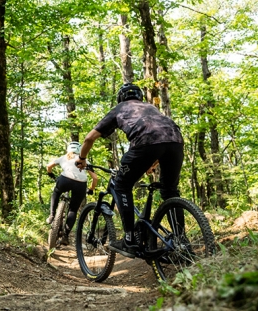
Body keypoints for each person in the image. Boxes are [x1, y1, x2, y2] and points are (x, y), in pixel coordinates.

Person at [76, 83, 184, 258]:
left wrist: (81, 159)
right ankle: (182, 241)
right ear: (139, 96)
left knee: (122, 185)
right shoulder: (151, 108)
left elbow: (89, 138)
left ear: (120, 98)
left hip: (145, 143)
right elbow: (161, 137)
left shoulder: (120, 108)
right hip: (176, 141)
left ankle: (129, 240)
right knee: (170, 190)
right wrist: (152, 162)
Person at [46, 141, 98, 246]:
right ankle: (65, 236)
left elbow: (49, 166)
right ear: (80, 150)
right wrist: (91, 189)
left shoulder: (64, 157)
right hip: (80, 185)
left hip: (65, 180)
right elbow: (95, 178)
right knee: (73, 210)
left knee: (56, 192)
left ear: (68, 149)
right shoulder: (85, 160)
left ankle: (52, 215)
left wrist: (50, 174)